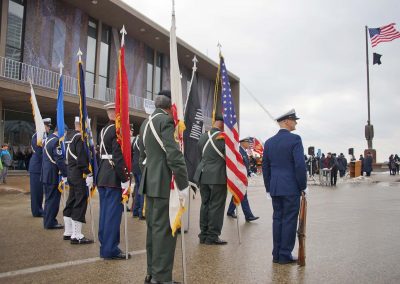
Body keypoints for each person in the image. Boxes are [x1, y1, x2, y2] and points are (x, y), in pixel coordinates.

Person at [139, 90, 189, 284]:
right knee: (165, 231)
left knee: (153, 229)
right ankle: (161, 278)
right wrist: (183, 184)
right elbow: (174, 155)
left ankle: (151, 273)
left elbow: (141, 155)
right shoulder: (166, 121)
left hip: (149, 181)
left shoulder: (145, 123)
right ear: (170, 108)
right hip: (163, 183)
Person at [262, 109, 307, 264]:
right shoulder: (295, 139)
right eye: (294, 120)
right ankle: (285, 255)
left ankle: (276, 254)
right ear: (286, 121)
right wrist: (303, 185)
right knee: (289, 220)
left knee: (278, 219)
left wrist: (268, 188)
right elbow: (299, 165)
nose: (296, 122)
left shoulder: (268, 142)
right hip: (290, 187)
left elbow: (265, 168)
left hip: (275, 187)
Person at [97, 103, 130, 260]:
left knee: (104, 214)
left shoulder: (103, 129)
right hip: (113, 176)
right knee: (111, 215)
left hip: (103, 174)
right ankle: (110, 249)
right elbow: (117, 156)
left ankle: (105, 245)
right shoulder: (116, 131)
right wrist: (125, 178)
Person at [193, 115, 229, 246]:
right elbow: (228, 158)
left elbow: (200, 155)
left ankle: (203, 234)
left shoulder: (203, 136)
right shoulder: (223, 137)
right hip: (217, 176)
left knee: (205, 204)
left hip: (203, 174)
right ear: (222, 124)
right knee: (216, 206)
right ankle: (212, 236)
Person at [62, 117, 94, 244]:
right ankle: (77, 235)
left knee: (71, 200)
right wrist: (89, 173)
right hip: (79, 174)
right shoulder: (79, 139)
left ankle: (68, 232)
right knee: (80, 203)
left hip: (71, 173)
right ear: (82, 125)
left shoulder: (68, 137)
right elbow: (81, 161)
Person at [41, 126, 68, 229]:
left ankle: (47, 221)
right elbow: (59, 160)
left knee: (48, 199)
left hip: (46, 173)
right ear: (62, 131)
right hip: (53, 175)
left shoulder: (48, 139)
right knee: (53, 200)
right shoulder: (56, 142)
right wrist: (66, 174)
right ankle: (50, 222)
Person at [226, 137, 259, 222]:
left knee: (237, 194)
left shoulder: (244, 151)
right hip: (239, 178)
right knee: (243, 196)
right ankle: (248, 216)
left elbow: (245, 165)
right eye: (247, 142)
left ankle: (230, 211)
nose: (249, 143)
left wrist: (249, 172)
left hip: (243, 177)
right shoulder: (239, 151)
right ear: (242, 142)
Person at [29, 118, 51, 217]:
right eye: (48, 126)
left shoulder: (44, 136)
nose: (49, 128)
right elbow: (39, 152)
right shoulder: (37, 136)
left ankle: (39, 209)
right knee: (36, 191)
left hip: (40, 167)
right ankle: (36, 211)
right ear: (43, 126)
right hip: (36, 167)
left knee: (40, 191)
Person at [131, 129, 144, 220]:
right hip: (140, 166)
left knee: (137, 189)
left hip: (134, 167)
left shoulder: (135, 139)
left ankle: (135, 211)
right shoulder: (142, 140)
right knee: (142, 190)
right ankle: (141, 213)